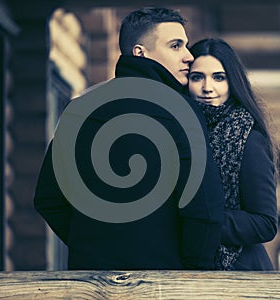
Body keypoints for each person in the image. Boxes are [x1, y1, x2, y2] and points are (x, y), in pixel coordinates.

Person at [34, 7, 225, 270]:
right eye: (175, 46)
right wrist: (191, 271)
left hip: (90, 283)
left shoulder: (78, 109)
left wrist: (90, 247)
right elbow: (205, 209)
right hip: (162, 283)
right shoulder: (180, 111)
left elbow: (48, 199)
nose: (189, 57)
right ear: (140, 52)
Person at [187, 38, 278, 270]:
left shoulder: (248, 137)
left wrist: (200, 222)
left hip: (241, 274)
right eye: (197, 77)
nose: (208, 87)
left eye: (219, 77)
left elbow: (265, 222)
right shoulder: (183, 132)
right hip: (190, 273)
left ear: (233, 82)